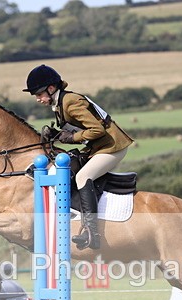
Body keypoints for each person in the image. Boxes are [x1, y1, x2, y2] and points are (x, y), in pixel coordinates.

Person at [23, 64, 134, 250]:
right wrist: (56, 134)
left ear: (51, 88)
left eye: (39, 94)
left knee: (83, 177)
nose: (38, 99)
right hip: (98, 147)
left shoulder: (70, 102)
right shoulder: (61, 102)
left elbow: (96, 130)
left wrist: (71, 138)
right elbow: (79, 129)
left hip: (112, 146)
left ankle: (92, 233)